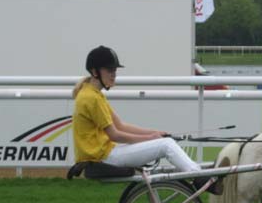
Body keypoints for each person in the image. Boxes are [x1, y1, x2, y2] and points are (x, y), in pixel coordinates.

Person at [72, 46, 220, 192]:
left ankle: (199, 172)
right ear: (94, 71)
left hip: (104, 155)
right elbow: (115, 135)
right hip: (103, 158)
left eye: (115, 70)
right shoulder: (92, 98)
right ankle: (200, 177)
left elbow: (122, 126)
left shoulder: (92, 94)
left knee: (164, 142)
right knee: (166, 145)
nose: (114, 74)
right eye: (110, 70)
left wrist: (155, 133)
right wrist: (150, 137)